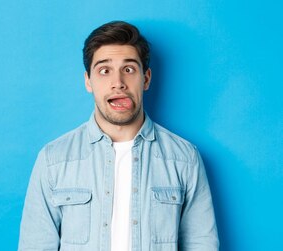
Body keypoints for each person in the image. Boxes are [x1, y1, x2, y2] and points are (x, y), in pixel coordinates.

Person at [18, 21, 219, 251]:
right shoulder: (53, 160)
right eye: (104, 70)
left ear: (146, 78)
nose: (118, 83)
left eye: (129, 69)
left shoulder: (184, 159)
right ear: (88, 81)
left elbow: (202, 244)